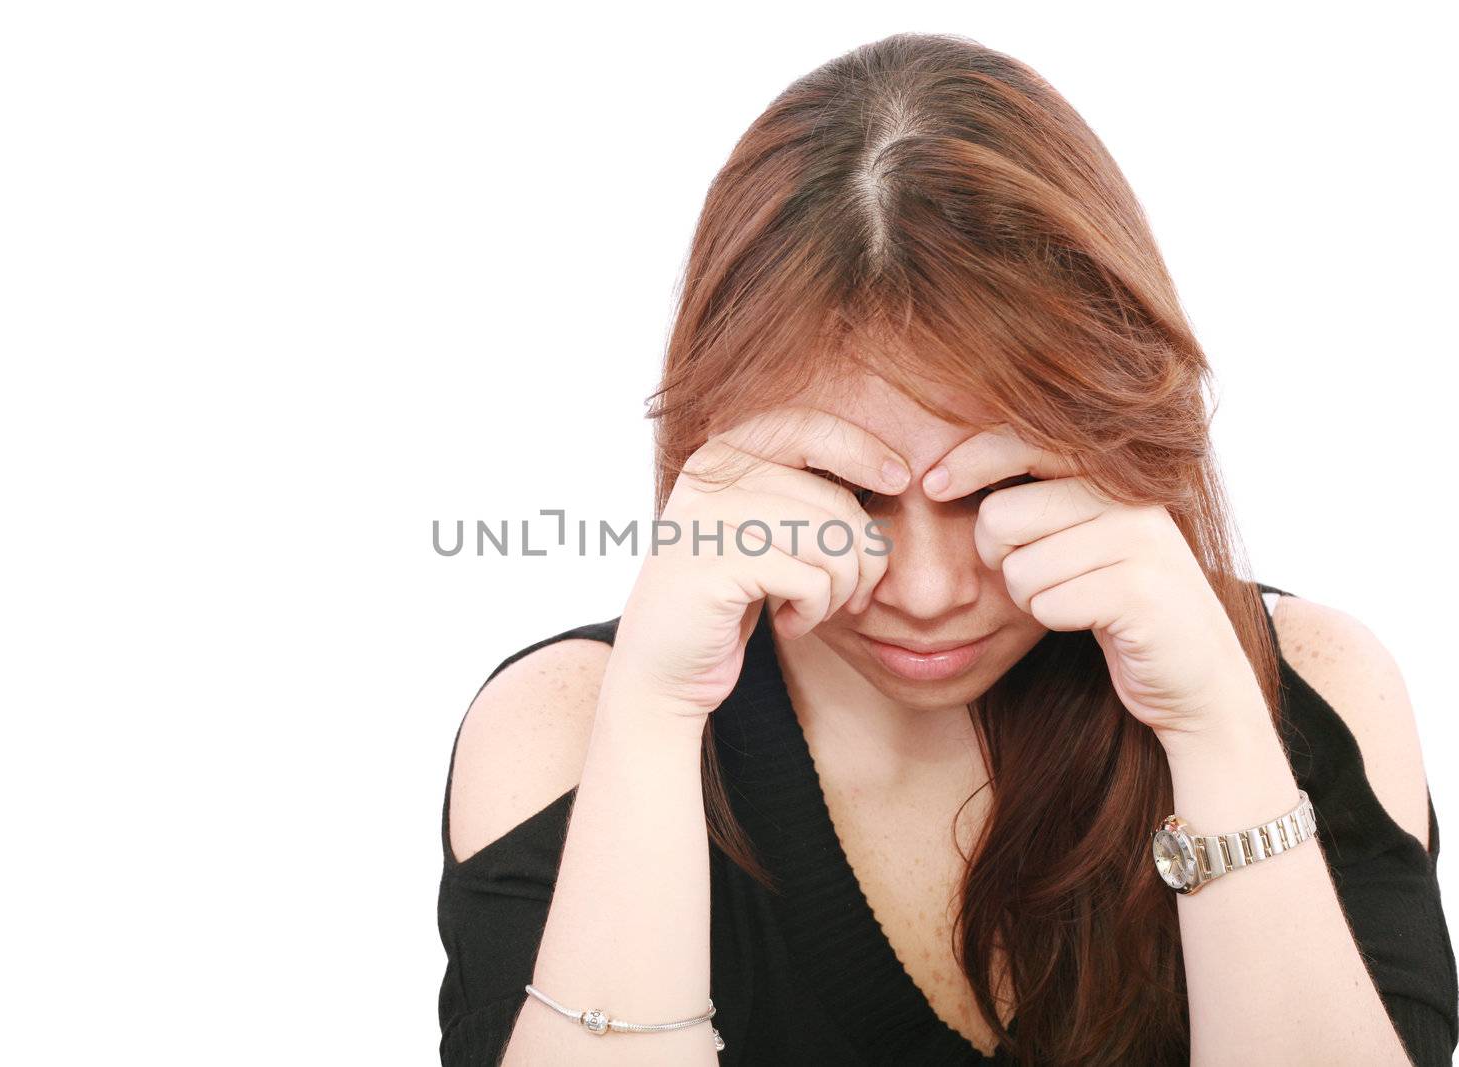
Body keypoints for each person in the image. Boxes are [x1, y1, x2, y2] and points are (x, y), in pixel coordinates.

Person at [436, 31, 1457, 1067]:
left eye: (1001, 489)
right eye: (844, 490)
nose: (924, 589)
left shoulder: (1318, 687)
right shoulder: (562, 732)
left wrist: (1216, 729)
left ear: (1118, 427)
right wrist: (651, 720)